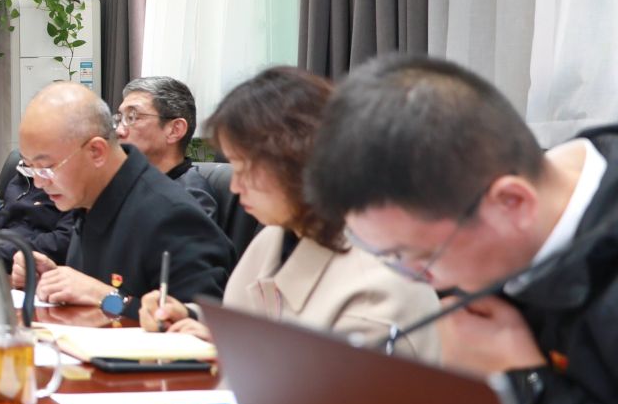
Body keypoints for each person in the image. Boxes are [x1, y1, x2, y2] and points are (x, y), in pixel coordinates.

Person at [307, 54, 618, 404]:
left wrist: (525, 387)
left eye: (420, 256)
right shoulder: (518, 220)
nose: (420, 279)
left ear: (512, 203)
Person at [137, 67, 439, 358]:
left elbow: (317, 378)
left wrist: (235, 344)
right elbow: (257, 321)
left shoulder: (378, 286)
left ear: (296, 162)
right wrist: (192, 317)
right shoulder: (275, 237)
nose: (236, 186)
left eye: (245, 169)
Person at [9, 81, 233, 320]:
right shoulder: (89, 199)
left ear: (96, 151)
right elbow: (92, 288)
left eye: (46, 167)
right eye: (31, 168)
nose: (39, 183)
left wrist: (106, 297)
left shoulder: (172, 216)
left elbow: (203, 326)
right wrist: (53, 279)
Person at [118, 76, 221, 219]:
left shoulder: (189, 201)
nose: (119, 131)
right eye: (120, 118)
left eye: (132, 117)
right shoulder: (130, 184)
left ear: (175, 130)